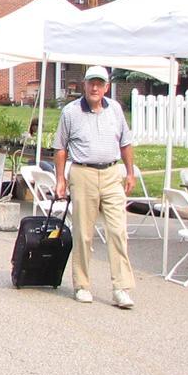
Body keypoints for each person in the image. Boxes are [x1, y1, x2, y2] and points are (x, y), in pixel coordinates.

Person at [53, 65, 137, 309]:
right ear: (84, 85)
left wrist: (129, 172)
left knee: (118, 230)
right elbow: (60, 146)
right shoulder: (71, 112)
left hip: (112, 173)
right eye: (91, 83)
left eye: (100, 83)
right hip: (83, 172)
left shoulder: (116, 110)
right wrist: (61, 178)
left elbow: (126, 142)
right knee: (83, 233)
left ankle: (121, 287)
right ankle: (82, 284)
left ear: (106, 87)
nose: (95, 88)